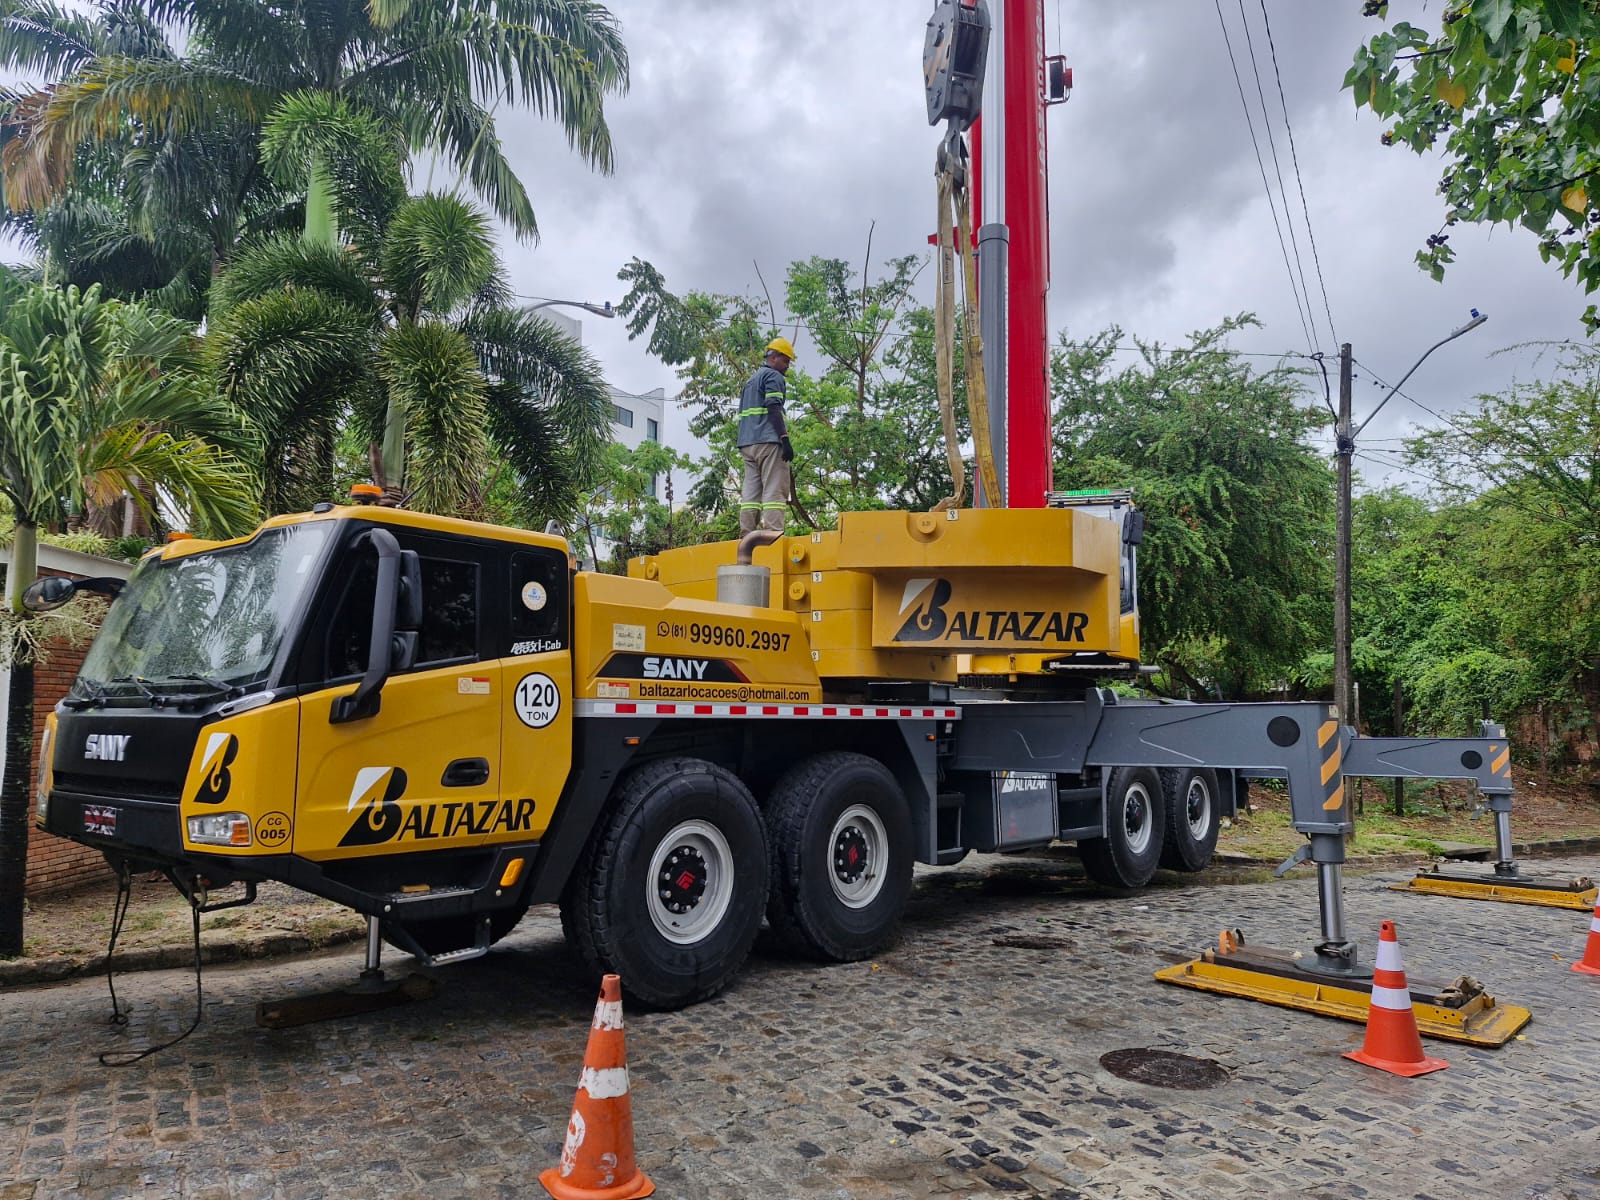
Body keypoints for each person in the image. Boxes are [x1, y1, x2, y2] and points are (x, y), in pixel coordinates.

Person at [736, 336, 797, 537]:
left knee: (751, 492)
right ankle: (773, 533)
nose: (787, 366)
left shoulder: (750, 380)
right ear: (774, 358)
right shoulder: (773, 377)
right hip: (768, 441)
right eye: (786, 361)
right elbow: (773, 407)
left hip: (747, 443)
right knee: (774, 489)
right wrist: (784, 438)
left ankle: (747, 535)